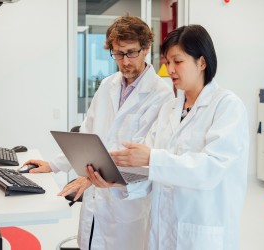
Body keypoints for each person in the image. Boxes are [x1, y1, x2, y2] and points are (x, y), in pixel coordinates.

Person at [89, 24, 249, 250]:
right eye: (167, 62)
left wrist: (152, 158)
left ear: (201, 62)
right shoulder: (170, 109)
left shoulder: (226, 106)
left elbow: (210, 169)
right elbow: (147, 171)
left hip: (201, 230)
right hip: (162, 229)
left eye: (178, 61)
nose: (170, 70)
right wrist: (115, 181)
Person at [22, 15, 174, 250]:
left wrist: (105, 176)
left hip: (128, 202)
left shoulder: (162, 95)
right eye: (118, 54)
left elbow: (148, 156)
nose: (124, 62)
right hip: (96, 196)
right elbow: (86, 136)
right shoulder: (108, 85)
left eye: (131, 52)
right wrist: (54, 165)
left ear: (146, 49)